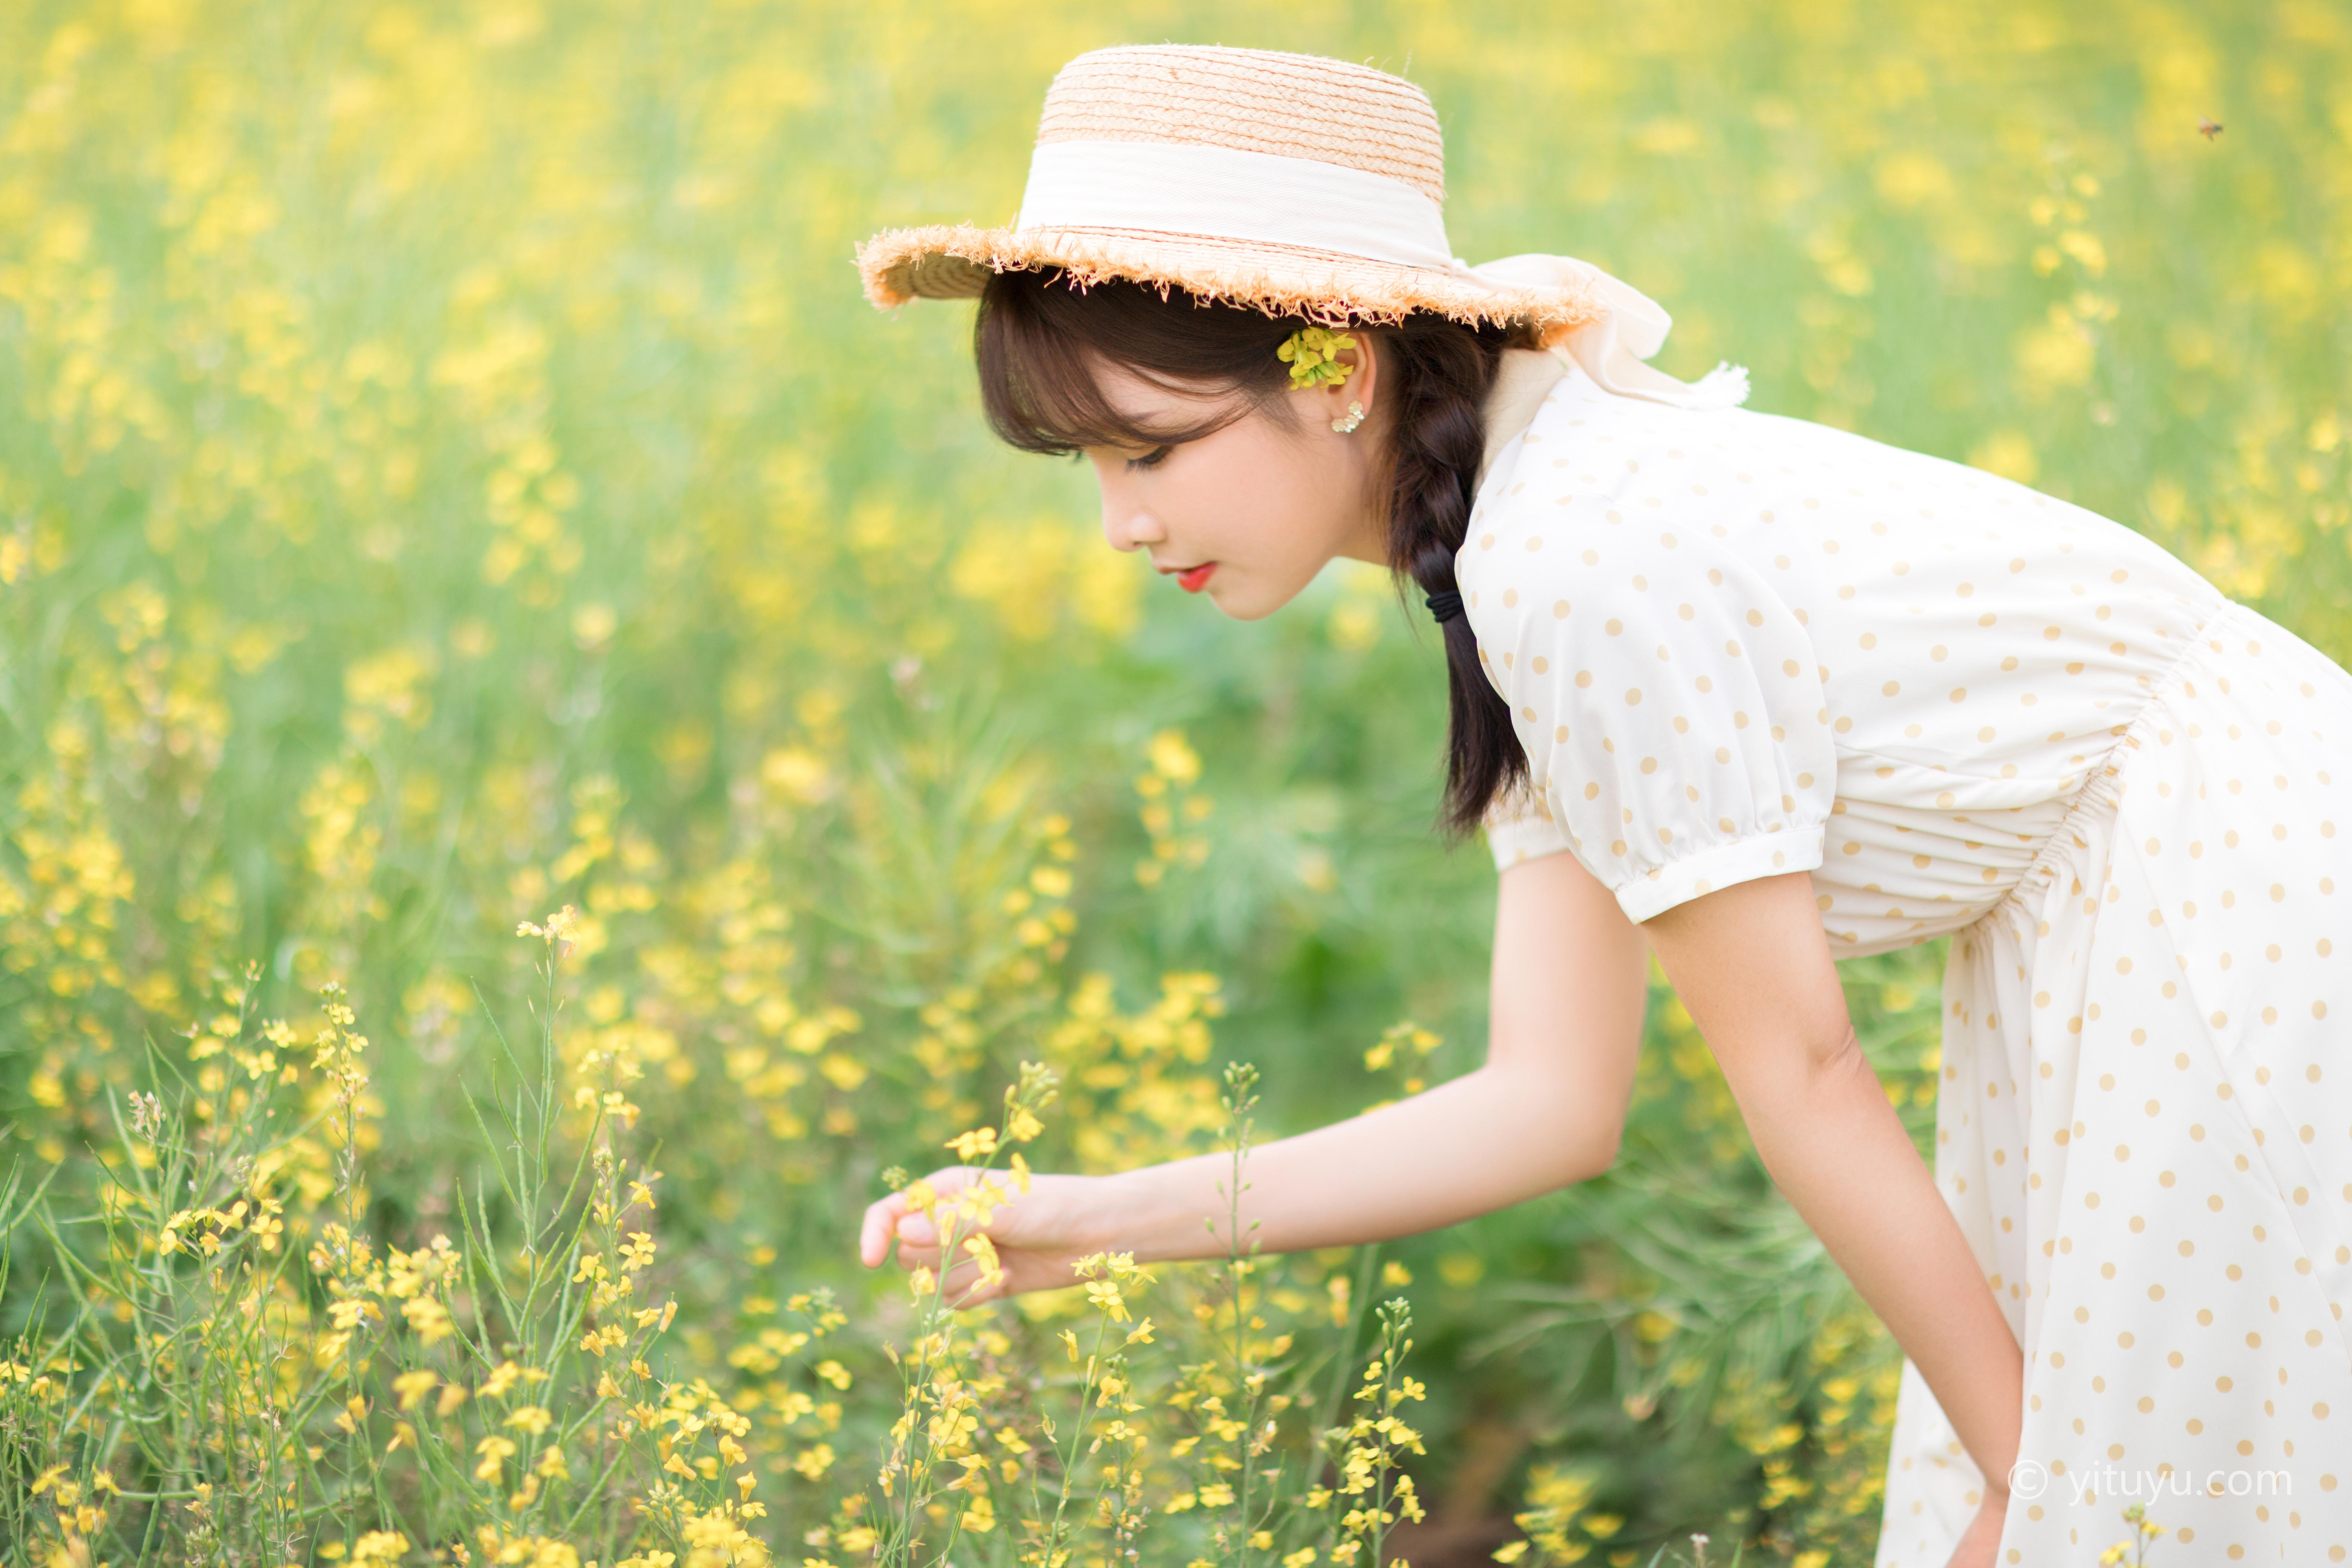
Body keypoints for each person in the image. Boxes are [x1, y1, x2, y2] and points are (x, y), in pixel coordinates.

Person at [851, 42, 2352, 1568]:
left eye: (1149, 448)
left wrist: (2025, 1476)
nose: (1120, 521)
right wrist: (1084, 1221)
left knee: (2130, 1513)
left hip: (2231, 893)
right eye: (1087, 465)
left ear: (1336, 371)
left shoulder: (1572, 556)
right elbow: (1548, 1101)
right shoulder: (1517, 524)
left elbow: (1808, 1071)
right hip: (2162, 903)